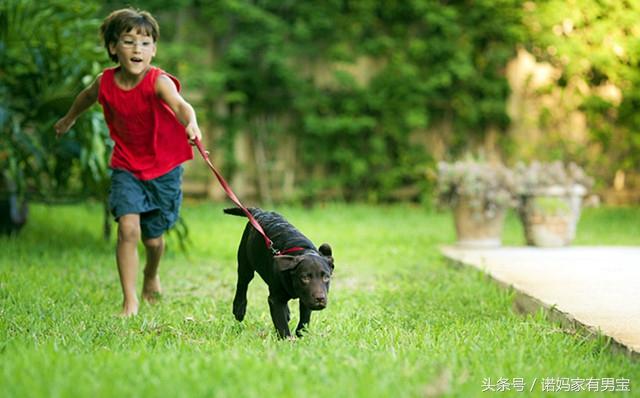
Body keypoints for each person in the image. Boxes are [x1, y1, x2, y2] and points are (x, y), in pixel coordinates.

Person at [54, 8, 202, 316]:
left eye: (145, 43)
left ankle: (150, 274)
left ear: (154, 50)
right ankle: (130, 301)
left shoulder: (157, 81)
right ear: (113, 47)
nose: (138, 49)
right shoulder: (105, 82)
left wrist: (192, 123)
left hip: (163, 169)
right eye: (129, 41)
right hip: (126, 167)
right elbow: (85, 96)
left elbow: (181, 104)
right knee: (128, 231)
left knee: (153, 240)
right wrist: (68, 119)